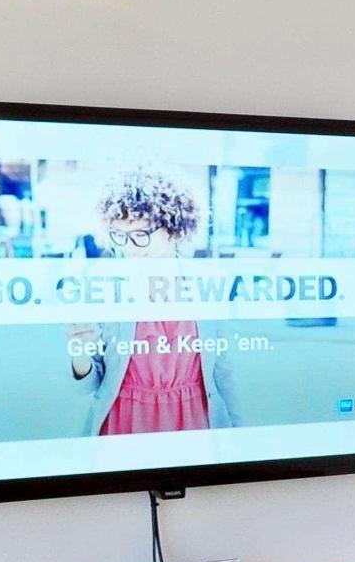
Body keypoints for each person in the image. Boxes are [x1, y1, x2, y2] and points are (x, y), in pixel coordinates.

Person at [67, 169, 238, 435]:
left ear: (173, 229)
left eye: (141, 234)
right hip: (124, 423)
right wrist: (79, 351)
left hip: (194, 421)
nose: (130, 247)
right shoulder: (105, 283)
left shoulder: (206, 282)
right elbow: (87, 385)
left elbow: (225, 372)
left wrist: (239, 436)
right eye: (119, 235)